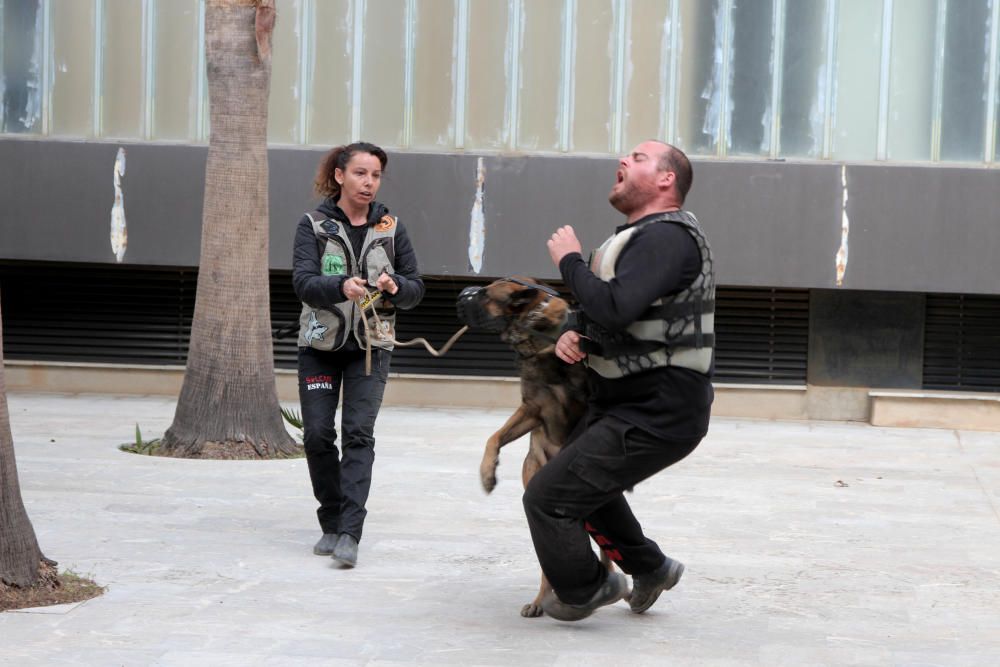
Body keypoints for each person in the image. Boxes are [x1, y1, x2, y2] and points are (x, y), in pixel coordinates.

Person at [524, 140, 715, 621]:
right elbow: (605, 313)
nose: (624, 161)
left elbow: (616, 306)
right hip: (624, 405)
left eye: (639, 158)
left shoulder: (666, 237)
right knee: (584, 490)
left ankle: (587, 588)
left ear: (667, 179)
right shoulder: (637, 239)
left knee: (547, 500)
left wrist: (568, 262)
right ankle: (650, 568)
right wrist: (573, 332)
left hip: (656, 412)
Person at [292, 142, 425, 568]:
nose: (368, 183)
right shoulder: (313, 224)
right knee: (317, 435)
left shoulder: (390, 228)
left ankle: (350, 531)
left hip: (372, 346)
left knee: (358, 435)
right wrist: (340, 288)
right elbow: (303, 282)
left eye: (375, 175)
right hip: (320, 346)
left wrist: (396, 287)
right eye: (360, 174)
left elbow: (416, 288)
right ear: (339, 176)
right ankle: (330, 519)